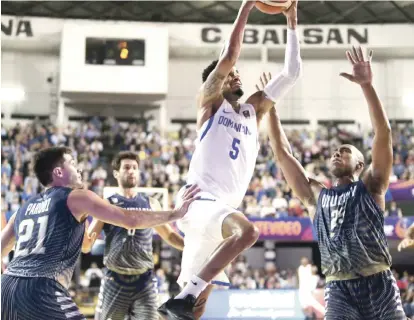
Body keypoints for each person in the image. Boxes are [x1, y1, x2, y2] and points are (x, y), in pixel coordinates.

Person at [158, 1, 302, 319]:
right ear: (215, 84)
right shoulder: (209, 104)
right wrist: (248, 5)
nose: (236, 77)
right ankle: (186, 295)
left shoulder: (254, 109)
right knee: (248, 233)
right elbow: (229, 55)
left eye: (237, 75)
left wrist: (292, 22)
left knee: (194, 308)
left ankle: (183, 298)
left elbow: (291, 73)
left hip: (218, 210)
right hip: (199, 203)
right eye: (229, 76)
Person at [261, 46, 406, 319]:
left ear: (360, 165)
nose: (338, 152)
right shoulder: (315, 195)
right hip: (339, 288)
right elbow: (282, 154)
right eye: (336, 151)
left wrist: (367, 86)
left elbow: (383, 134)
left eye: (346, 151)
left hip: (379, 285)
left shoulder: (372, 186)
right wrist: (271, 108)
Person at [0, 146, 199, 320]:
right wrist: (175, 213)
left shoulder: (22, 209)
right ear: (59, 172)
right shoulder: (78, 197)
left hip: (6, 287)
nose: (79, 168)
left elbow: (2, 249)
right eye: (72, 163)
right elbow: (130, 219)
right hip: (42, 287)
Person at [83, 151, 185, 320]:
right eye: (127, 167)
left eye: (135, 168)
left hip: (144, 280)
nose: (131, 171)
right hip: (114, 279)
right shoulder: (106, 204)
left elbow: (170, 236)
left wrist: (191, 247)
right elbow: (87, 245)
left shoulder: (151, 203)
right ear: (116, 173)